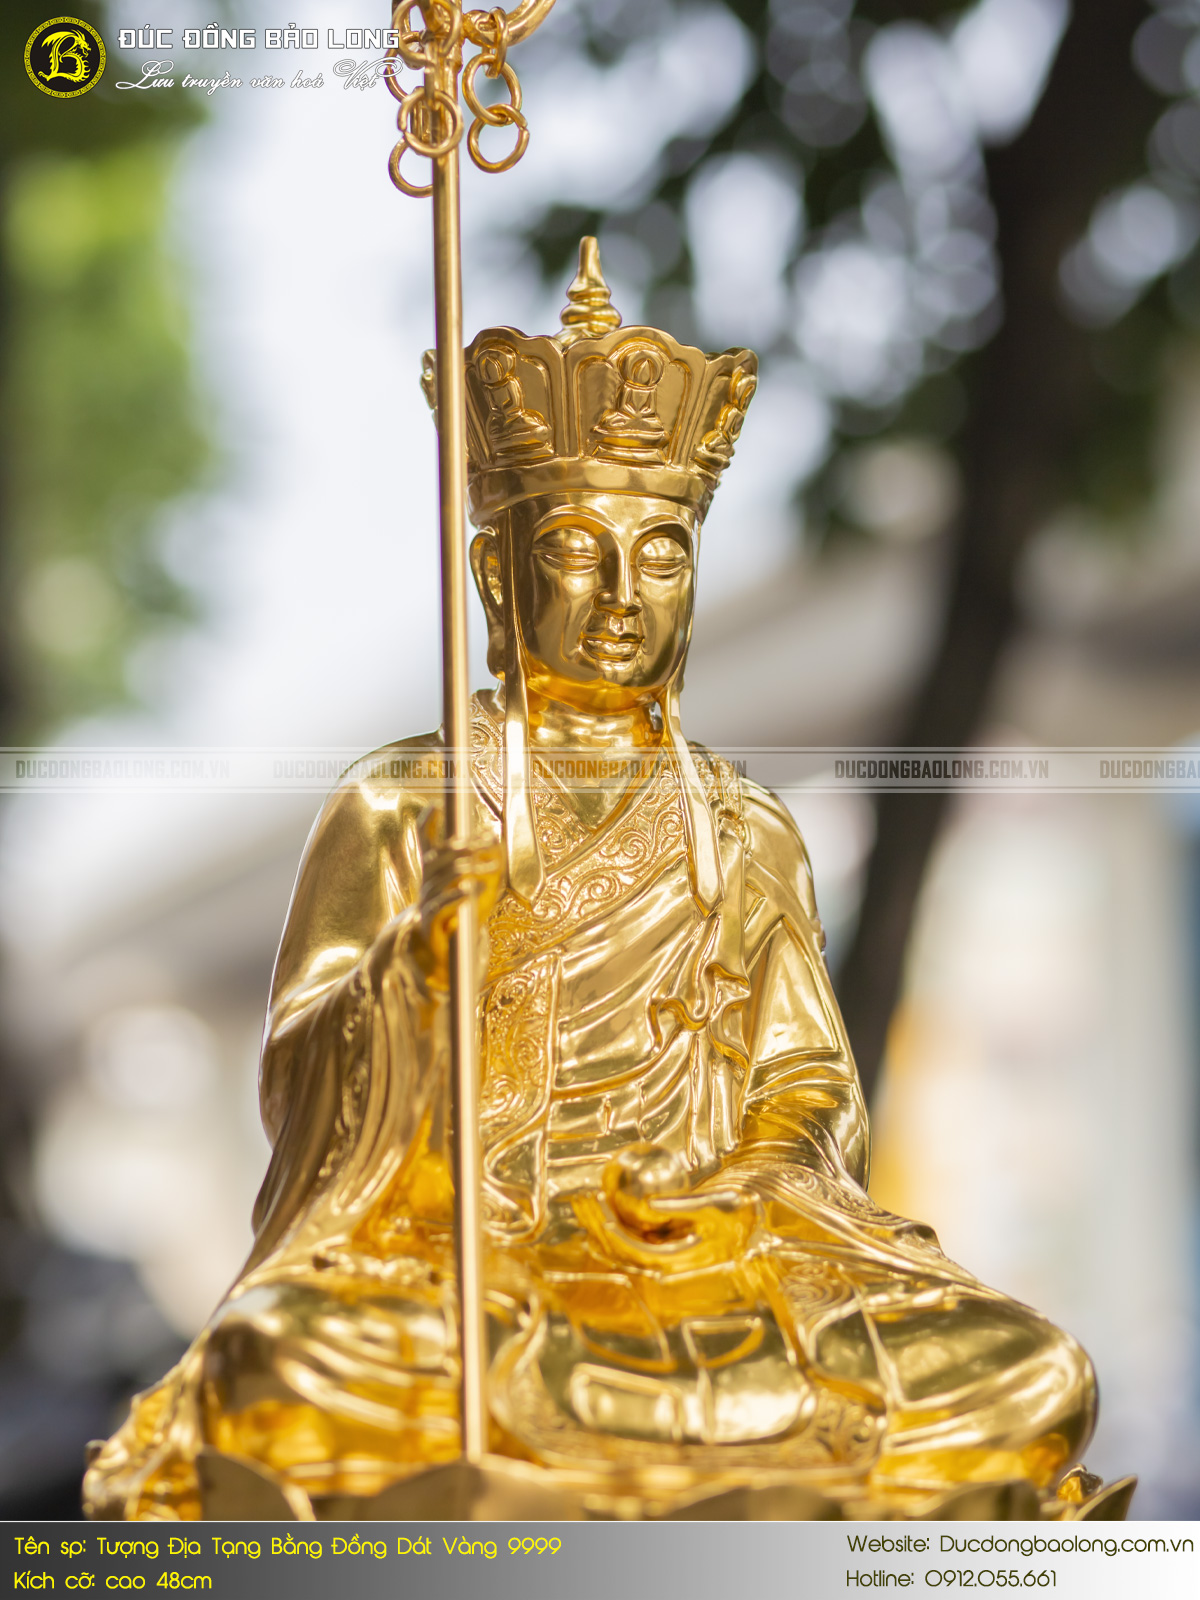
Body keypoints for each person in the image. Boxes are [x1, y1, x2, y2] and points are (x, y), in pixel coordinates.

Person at [85, 241, 1097, 1522]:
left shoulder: (742, 825)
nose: (624, 595)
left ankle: (603, 1467)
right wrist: (417, 976)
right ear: (495, 574)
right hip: (480, 1260)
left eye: (661, 554)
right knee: (286, 1362)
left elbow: (803, 1084)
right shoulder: (408, 802)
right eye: (577, 550)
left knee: (1029, 1373)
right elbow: (302, 1083)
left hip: (715, 1264)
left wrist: (733, 1187)